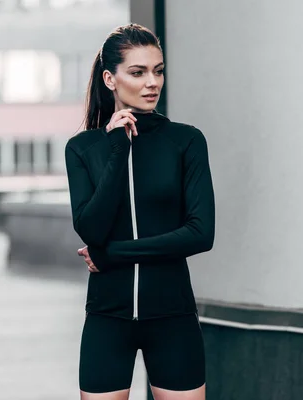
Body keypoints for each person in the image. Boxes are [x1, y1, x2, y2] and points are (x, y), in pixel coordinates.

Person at [64, 23, 215, 400]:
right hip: (107, 318)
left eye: (158, 70)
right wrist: (117, 148)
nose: (153, 82)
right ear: (110, 78)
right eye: (138, 72)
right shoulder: (83, 149)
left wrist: (111, 255)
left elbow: (200, 233)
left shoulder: (186, 141)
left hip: (172, 316)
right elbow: (92, 229)